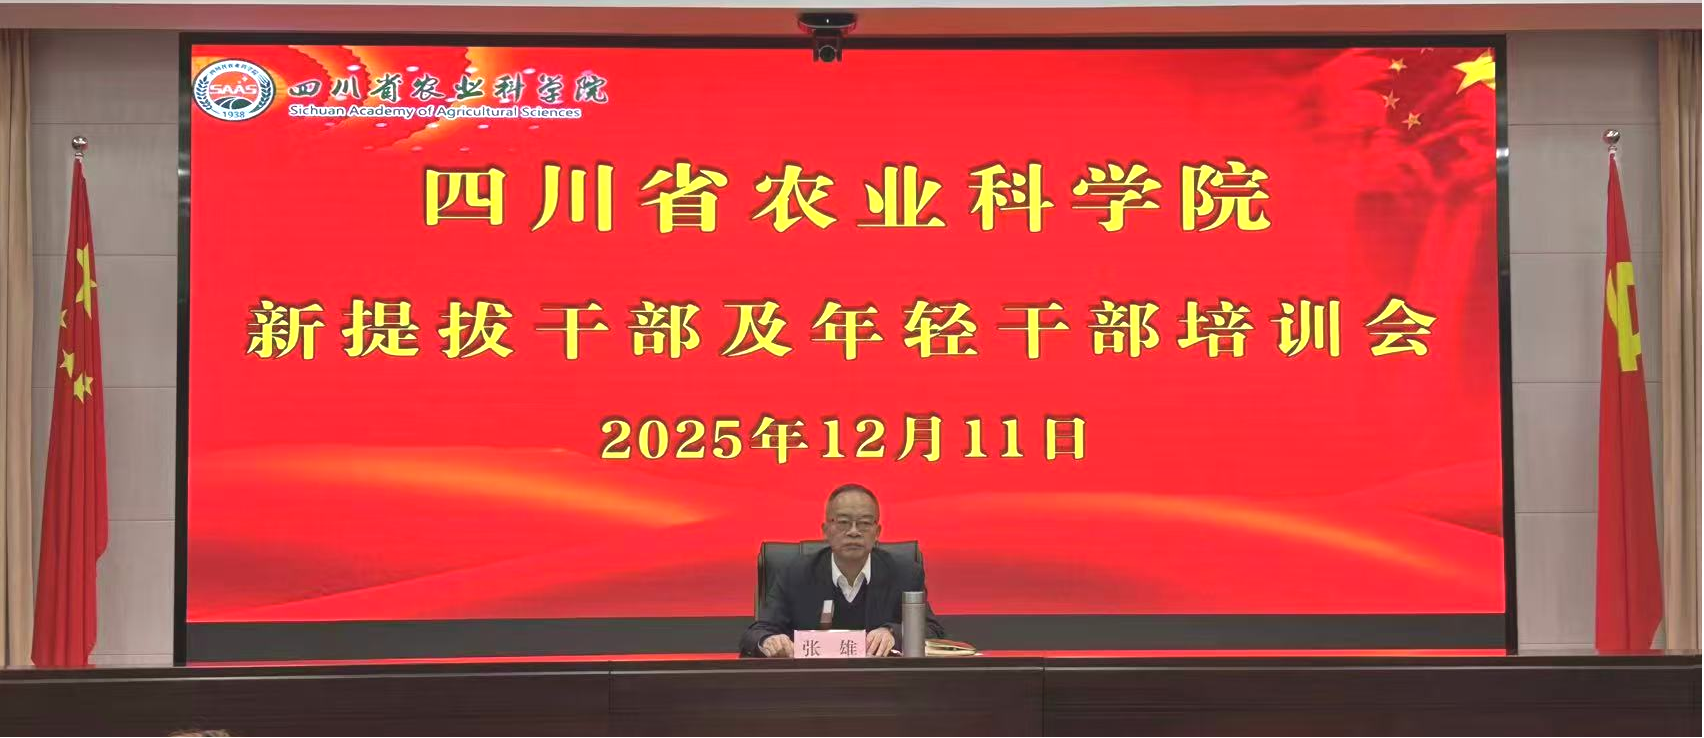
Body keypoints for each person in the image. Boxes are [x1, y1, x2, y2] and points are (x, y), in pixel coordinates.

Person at [740, 483, 945, 657]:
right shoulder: (795, 574)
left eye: (864, 523)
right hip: (811, 684)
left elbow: (933, 631)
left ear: (877, 532)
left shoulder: (905, 574)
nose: (854, 532)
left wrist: (893, 633)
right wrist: (768, 641)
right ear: (825, 531)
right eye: (843, 523)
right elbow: (755, 634)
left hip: (882, 683)